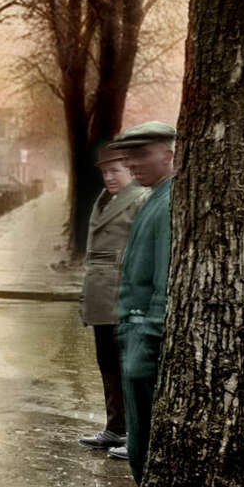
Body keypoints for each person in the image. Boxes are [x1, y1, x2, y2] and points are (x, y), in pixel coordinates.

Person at [107, 120, 177, 482]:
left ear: (169, 154)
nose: (133, 163)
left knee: (145, 447)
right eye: (129, 156)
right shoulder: (157, 197)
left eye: (143, 154)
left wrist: (146, 341)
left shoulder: (168, 203)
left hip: (145, 339)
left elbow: (165, 281)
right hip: (134, 331)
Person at [77, 147, 150, 450]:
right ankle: (115, 427)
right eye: (105, 172)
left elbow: (145, 250)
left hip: (123, 296)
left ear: (131, 170)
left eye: (115, 171)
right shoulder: (105, 200)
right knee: (107, 363)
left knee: (128, 368)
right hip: (100, 297)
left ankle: (137, 435)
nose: (109, 177)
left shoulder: (140, 200)